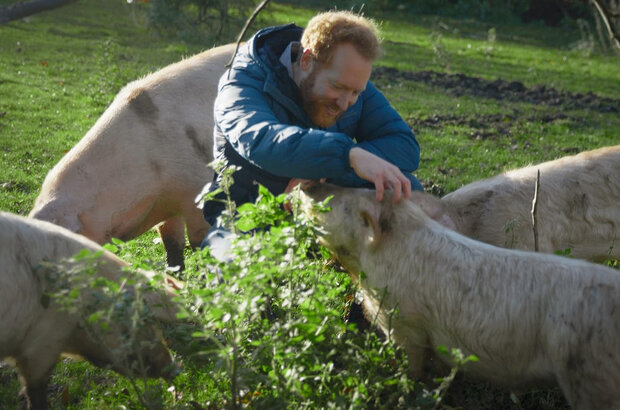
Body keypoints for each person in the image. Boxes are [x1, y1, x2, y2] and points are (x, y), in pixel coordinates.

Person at [201, 10, 423, 259]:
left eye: (355, 93)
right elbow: (261, 141)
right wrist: (347, 154)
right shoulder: (242, 82)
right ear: (306, 61)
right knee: (226, 266)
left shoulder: (348, 81)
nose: (345, 103)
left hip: (325, 208)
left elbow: (404, 145)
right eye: (337, 87)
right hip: (250, 217)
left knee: (405, 189)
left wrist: (322, 174)